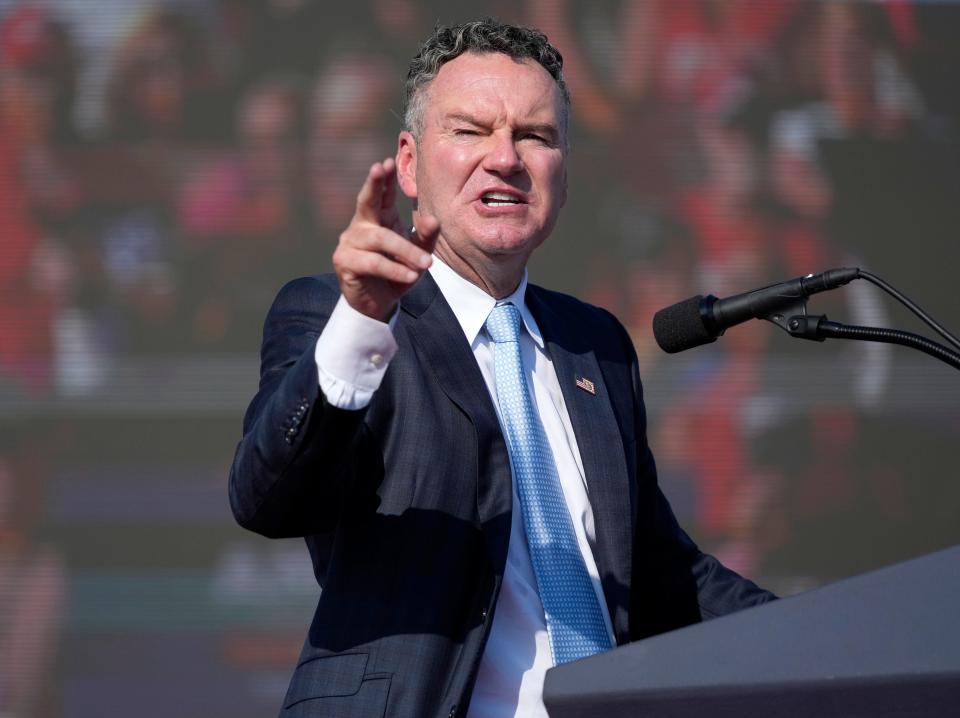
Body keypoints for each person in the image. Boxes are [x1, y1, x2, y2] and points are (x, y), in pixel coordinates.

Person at [228, 18, 775, 718]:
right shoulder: (339, 317)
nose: (505, 158)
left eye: (534, 136)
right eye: (470, 131)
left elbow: (661, 575)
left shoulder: (595, 344)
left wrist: (826, 632)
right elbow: (267, 498)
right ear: (408, 163)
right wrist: (363, 318)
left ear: (564, 173)